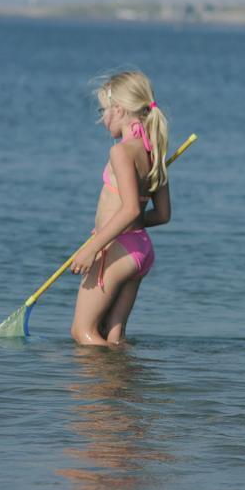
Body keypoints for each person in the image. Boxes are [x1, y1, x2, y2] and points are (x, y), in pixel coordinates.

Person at [70, 71, 170, 346]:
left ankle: (94, 390)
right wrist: (114, 230)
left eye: (104, 110)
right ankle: (123, 388)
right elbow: (162, 215)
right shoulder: (153, 152)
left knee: (84, 333)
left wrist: (93, 246)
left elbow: (129, 210)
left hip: (119, 248)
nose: (103, 118)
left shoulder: (121, 152)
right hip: (141, 249)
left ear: (120, 110)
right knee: (113, 337)